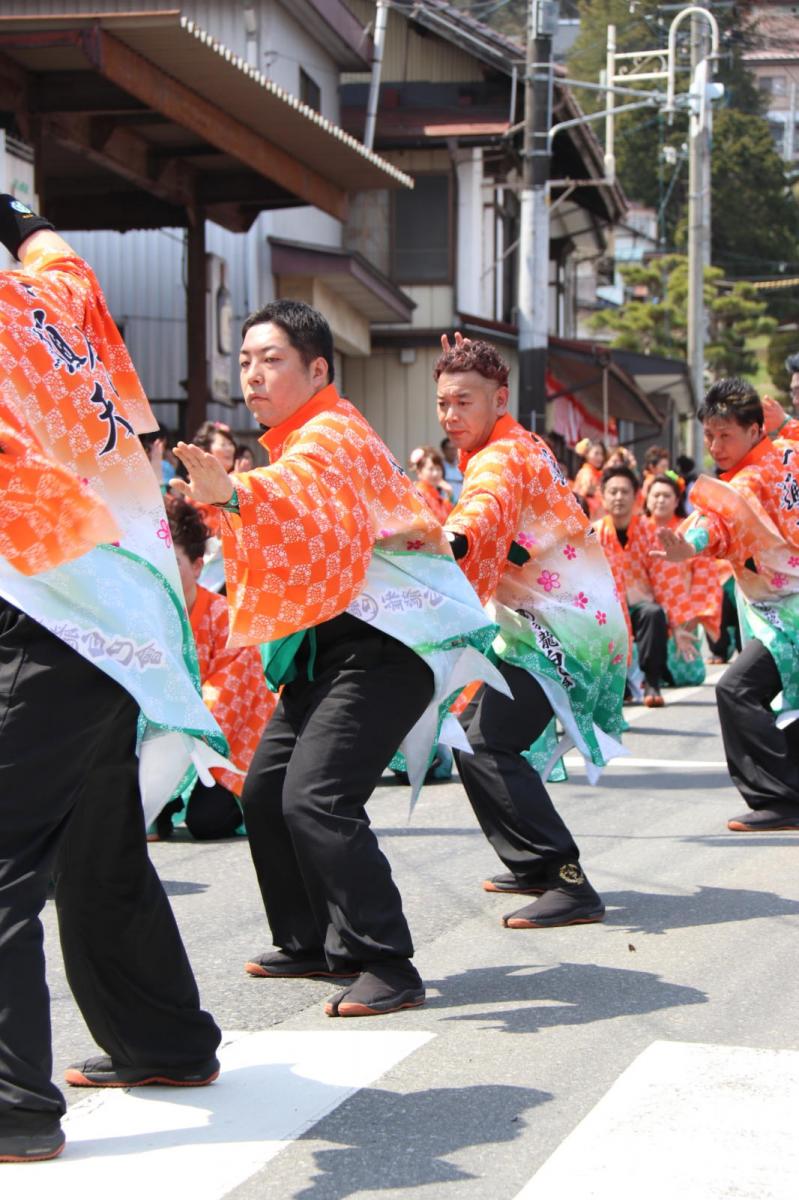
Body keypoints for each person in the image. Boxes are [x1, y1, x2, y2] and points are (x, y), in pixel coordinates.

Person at [172, 300, 503, 1018]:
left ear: (317, 368)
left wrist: (233, 493)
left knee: (317, 797)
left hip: (387, 648)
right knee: (263, 793)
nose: (253, 373)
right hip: (332, 651)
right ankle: (311, 940)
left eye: (273, 360)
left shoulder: (332, 433)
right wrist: (232, 499)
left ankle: (383, 959)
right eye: (247, 359)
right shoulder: (292, 441)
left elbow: (301, 496)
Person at [0, 196, 221, 1164]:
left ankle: (12, 1104)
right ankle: (164, 1038)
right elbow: (62, 260)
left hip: (48, 612)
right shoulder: (51, 298)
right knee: (97, 845)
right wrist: (19, 215)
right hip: (120, 615)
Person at [435, 335, 628, 930]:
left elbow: (481, 515)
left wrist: (446, 543)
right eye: (443, 403)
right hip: (551, 621)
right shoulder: (515, 444)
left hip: (565, 629)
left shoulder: (500, 457)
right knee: (473, 739)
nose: (450, 415)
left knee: (490, 743)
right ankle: (530, 863)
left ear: (499, 399)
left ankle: (566, 878)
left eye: (464, 401)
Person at [655, 377, 799, 832]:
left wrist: (688, 544)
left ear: (754, 431)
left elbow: (715, 520)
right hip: (779, 606)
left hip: (788, 612)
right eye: (710, 436)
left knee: (736, 689)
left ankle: (780, 799)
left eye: (726, 435)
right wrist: (786, 425)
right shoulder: (785, 454)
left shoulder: (750, 480)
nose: (716, 446)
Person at [148, 497, 276, 841]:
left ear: (198, 566)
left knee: (209, 823)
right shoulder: (146, 618)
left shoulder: (225, 618)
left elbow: (227, 697)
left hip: (223, 742)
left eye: (174, 562)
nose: (164, 572)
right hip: (162, 738)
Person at [594, 464, 669, 707]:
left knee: (654, 614)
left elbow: (662, 577)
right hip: (607, 610)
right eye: (613, 491)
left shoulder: (650, 531)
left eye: (624, 491)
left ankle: (652, 681)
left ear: (636, 495)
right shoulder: (593, 534)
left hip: (639, 606)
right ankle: (619, 685)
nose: (618, 497)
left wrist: (678, 625)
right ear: (603, 496)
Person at [644, 473, 722, 684]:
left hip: (684, 612)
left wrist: (692, 615)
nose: (660, 500)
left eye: (666, 495)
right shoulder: (636, 530)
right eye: (656, 495)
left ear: (677, 501)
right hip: (647, 612)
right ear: (646, 498)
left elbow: (705, 574)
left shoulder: (689, 531)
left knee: (689, 676)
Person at [411, 444, 453, 523]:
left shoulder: (433, 492)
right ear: (419, 471)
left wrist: (449, 494)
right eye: (431, 469)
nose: (435, 473)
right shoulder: (419, 492)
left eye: (438, 469)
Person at [572, 438, 606, 519]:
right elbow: (584, 493)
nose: (600, 458)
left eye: (601, 454)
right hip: (590, 512)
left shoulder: (593, 472)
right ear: (587, 454)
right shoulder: (586, 472)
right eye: (596, 454)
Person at [440, 434, 464, 502]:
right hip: (444, 504)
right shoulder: (439, 466)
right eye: (449, 449)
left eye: (454, 448)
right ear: (443, 450)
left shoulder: (462, 465)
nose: (452, 452)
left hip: (460, 503)